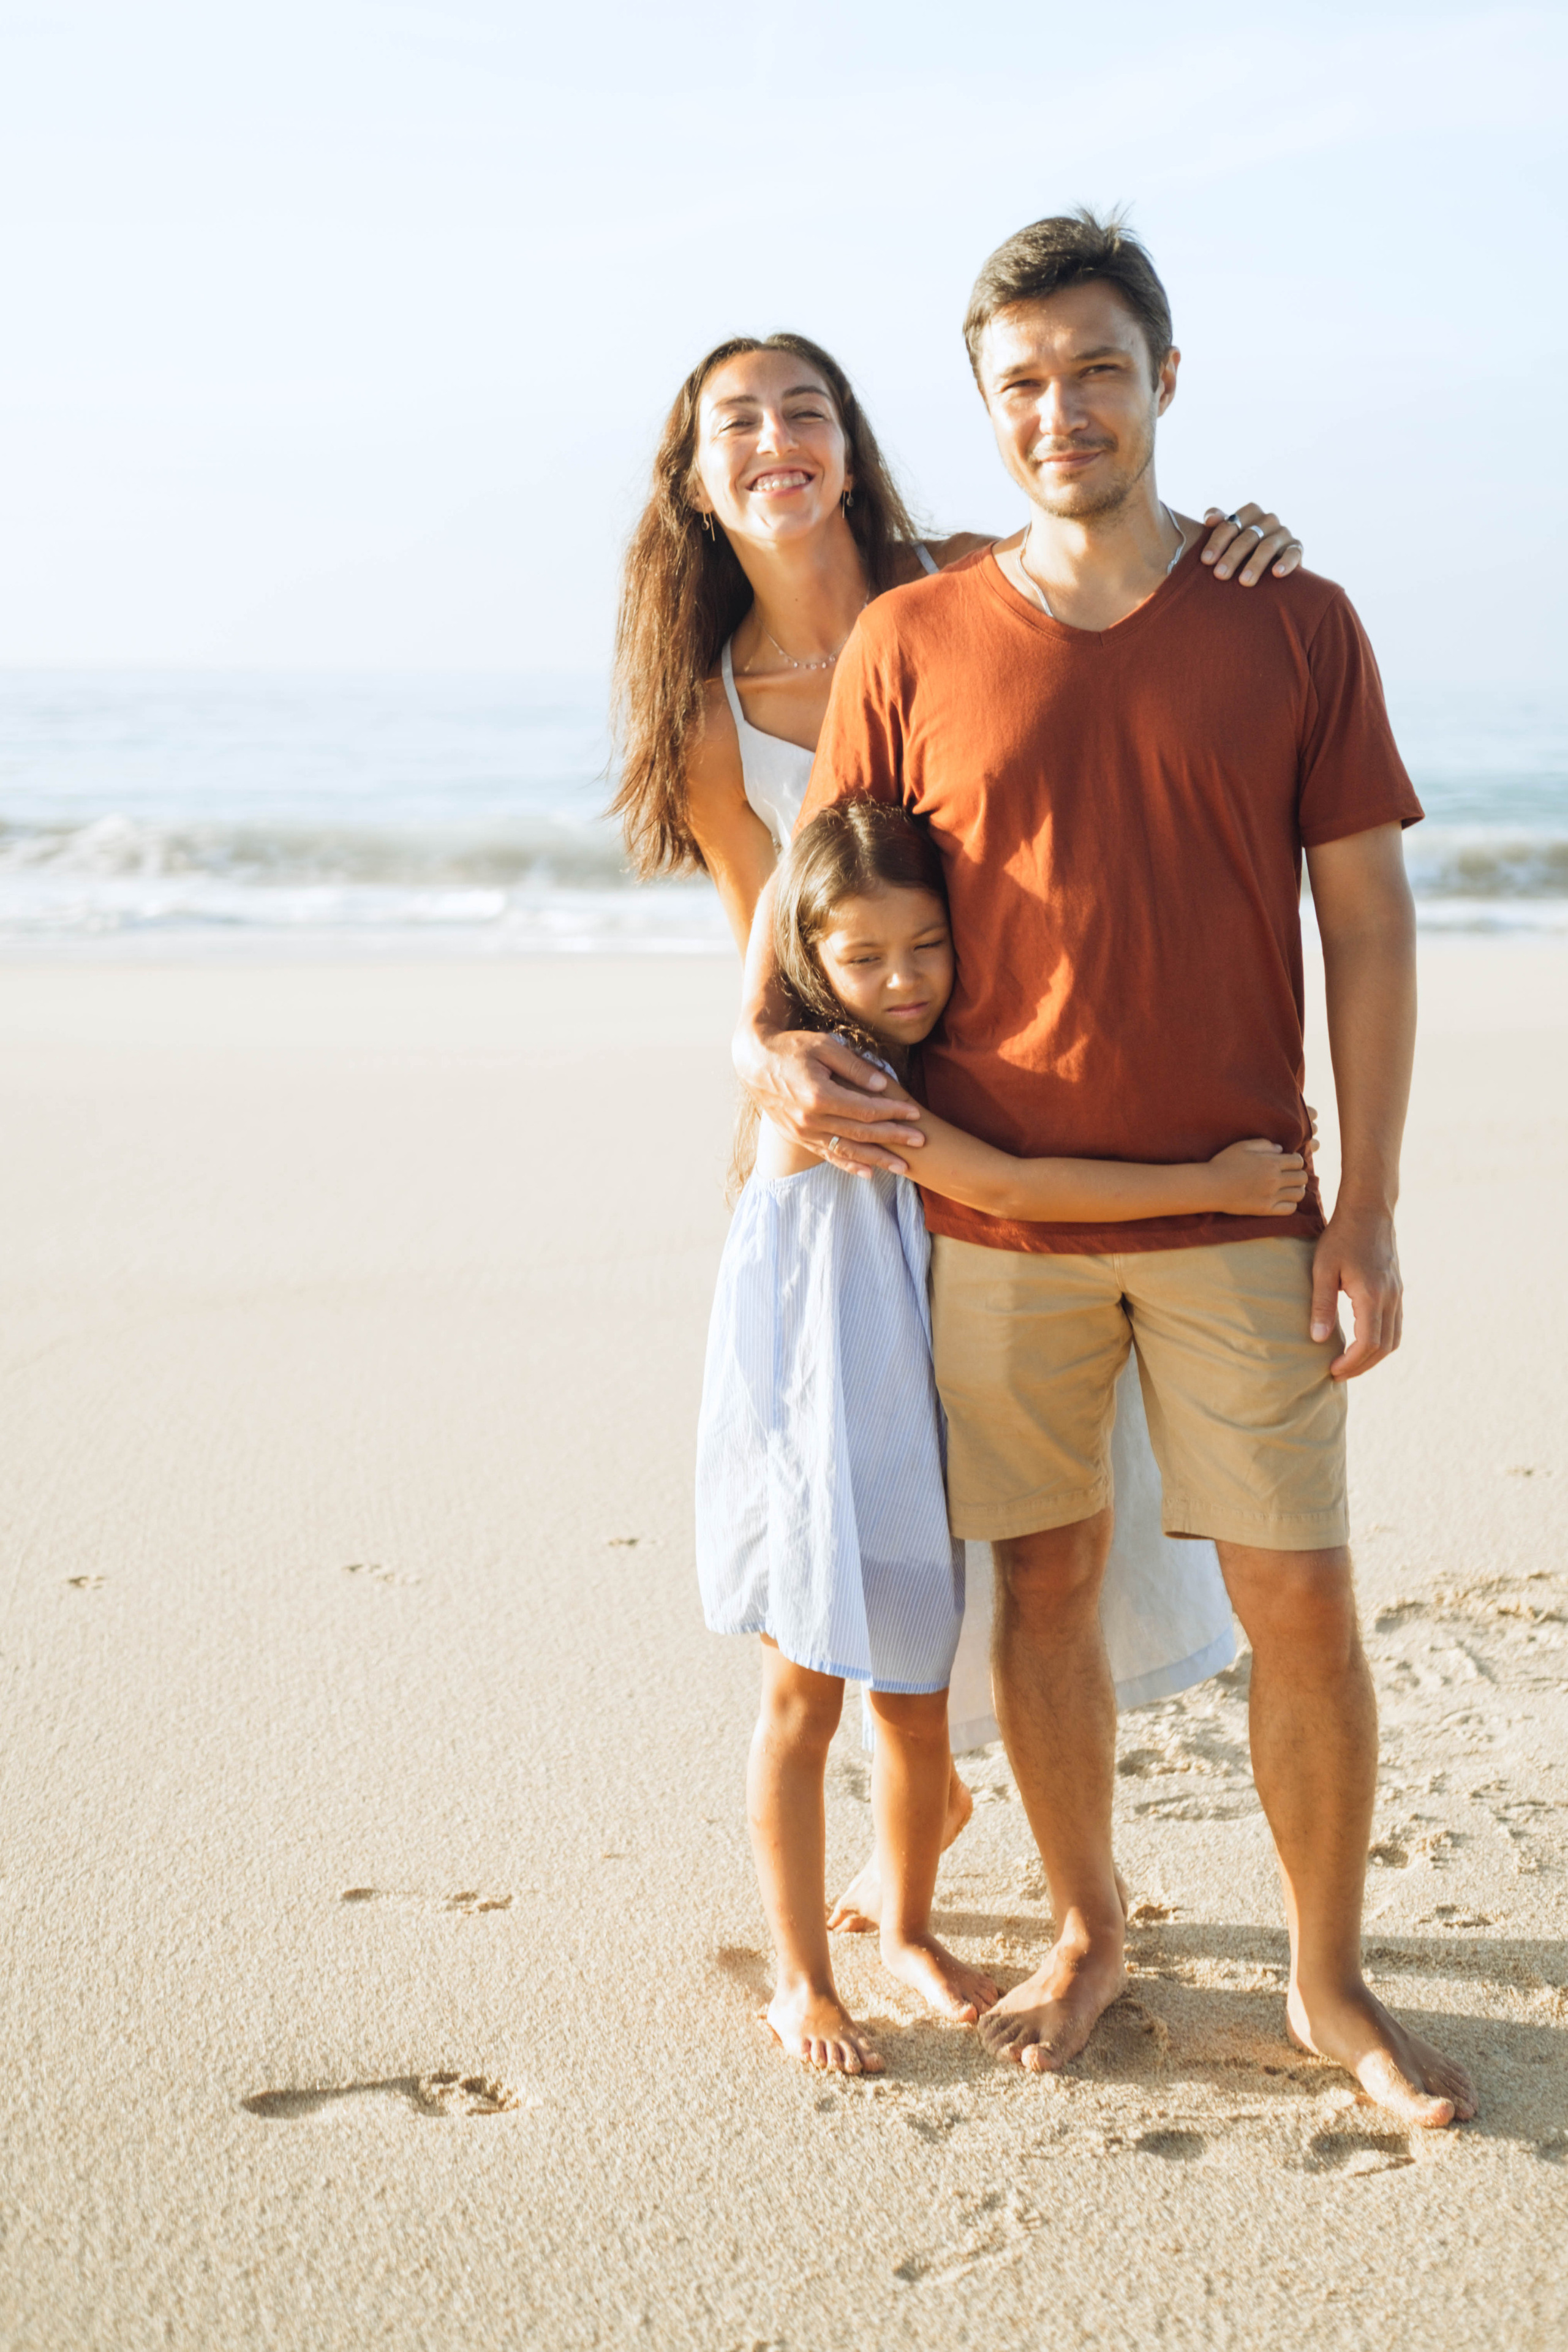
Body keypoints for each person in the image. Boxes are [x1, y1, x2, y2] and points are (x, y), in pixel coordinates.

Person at [737, 210, 1477, 2130]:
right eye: (1021, 384)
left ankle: (1327, 1983)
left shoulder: (1293, 620)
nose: (1059, 408)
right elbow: (814, 915)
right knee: (1044, 1593)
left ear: (1164, 376)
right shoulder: (912, 637)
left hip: (1243, 1209)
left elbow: (1371, 929)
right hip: (990, 1219)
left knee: (1300, 1602)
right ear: (987, 413)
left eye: (1094, 369)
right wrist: (778, 1061)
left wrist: (1371, 1203)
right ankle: (1092, 1924)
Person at [612, 327, 1305, 1921]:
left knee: (1050, 1503)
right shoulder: (715, 706)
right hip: (848, 1143)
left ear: (852, 447)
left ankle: (1031, 1862)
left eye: (807, 411)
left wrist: (1240, 543)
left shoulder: (971, 585)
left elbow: (1128, 585)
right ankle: (908, 1838)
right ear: (698, 478)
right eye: (739, 423)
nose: (778, 439)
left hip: (1028, 1097)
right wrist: (762, 1064)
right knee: (874, 1490)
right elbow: (760, 950)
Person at [702, 799, 1310, 2071]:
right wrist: (1208, 1186)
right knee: (799, 1702)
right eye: (863, 957)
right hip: (814, 1441)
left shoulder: (922, 1057)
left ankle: (905, 1926)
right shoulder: (832, 1084)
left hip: (908, 1435)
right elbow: (1015, 1190)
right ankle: (801, 1979)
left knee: (915, 1713)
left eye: (926, 947)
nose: (903, 981)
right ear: (810, 954)